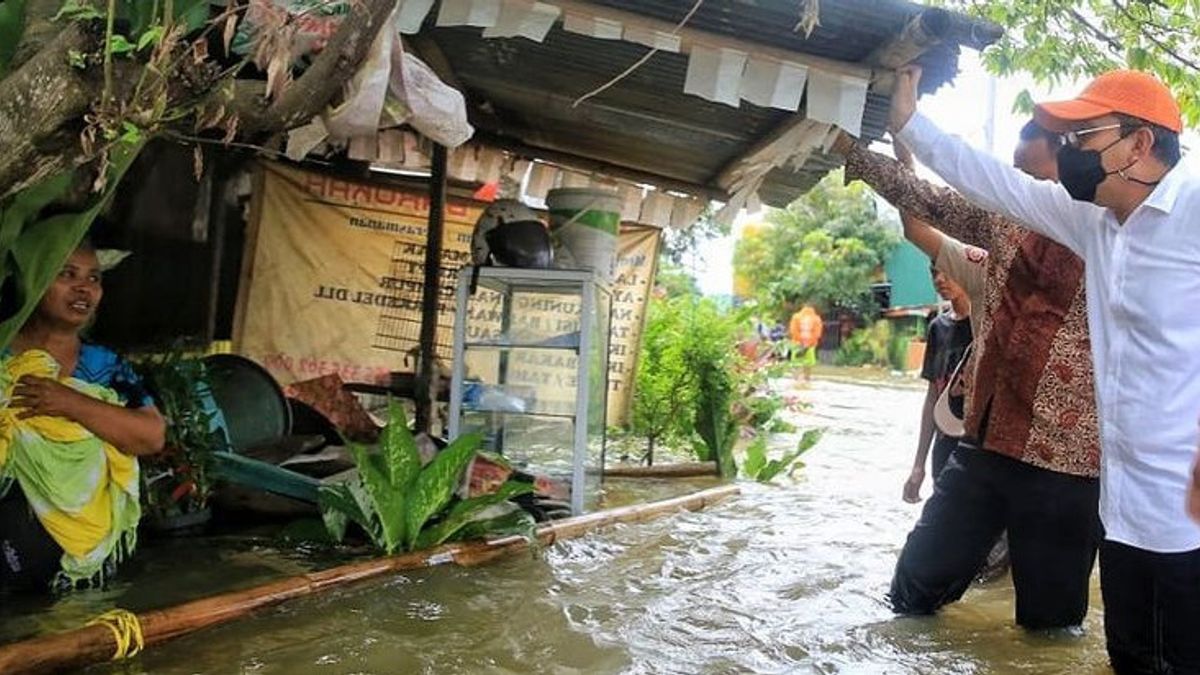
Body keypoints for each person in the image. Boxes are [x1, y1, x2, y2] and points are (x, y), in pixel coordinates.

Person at [890, 66, 1200, 673]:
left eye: (1083, 138)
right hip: (1122, 510)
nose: (1070, 154)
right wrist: (909, 125)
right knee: (1130, 658)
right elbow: (991, 182)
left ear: (1140, 143)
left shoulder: (1193, 206)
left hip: (1188, 519)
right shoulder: (1094, 220)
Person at [831, 117, 1101, 629]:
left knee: (1051, 627)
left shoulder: (1114, 235)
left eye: (1030, 171)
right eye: (1015, 173)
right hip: (985, 443)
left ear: (1067, 162)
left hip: (1066, 462)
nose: (1019, 183)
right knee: (911, 588)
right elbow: (927, 204)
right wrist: (855, 149)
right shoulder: (1002, 224)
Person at [0, 242, 165, 592]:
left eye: (94, 278)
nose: (84, 288)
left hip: (82, 558)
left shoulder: (105, 366)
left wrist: (68, 402)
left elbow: (151, 436)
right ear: (34, 277)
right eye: (67, 274)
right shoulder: (2, 352)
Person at [907, 267, 972, 503]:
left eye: (947, 271)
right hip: (945, 447)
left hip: (979, 450)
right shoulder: (938, 328)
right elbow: (933, 396)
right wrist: (918, 465)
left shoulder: (986, 325)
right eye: (934, 273)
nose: (940, 280)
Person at [788, 306, 823, 382]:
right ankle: (807, 379)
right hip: (810, 345)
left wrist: (800, 342)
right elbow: (817, 334)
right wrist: (808, 344)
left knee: (795, 364)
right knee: (808, 364)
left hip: (797, 345)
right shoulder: (816, 319)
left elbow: (793, 331)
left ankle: (796, 380)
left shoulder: (796, 317)